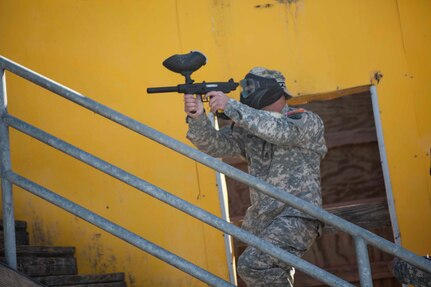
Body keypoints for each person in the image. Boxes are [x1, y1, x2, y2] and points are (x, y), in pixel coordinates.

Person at [184, 67, 327, 286]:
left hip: (297, 214)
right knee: (266, 271)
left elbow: (279, 132)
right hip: (262, 218)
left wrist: (230, 105)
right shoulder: (248, 128)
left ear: (274, 90)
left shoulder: (305, 121)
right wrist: (197, 117)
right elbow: (214, 145)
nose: (247, 92)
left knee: (252, 265)